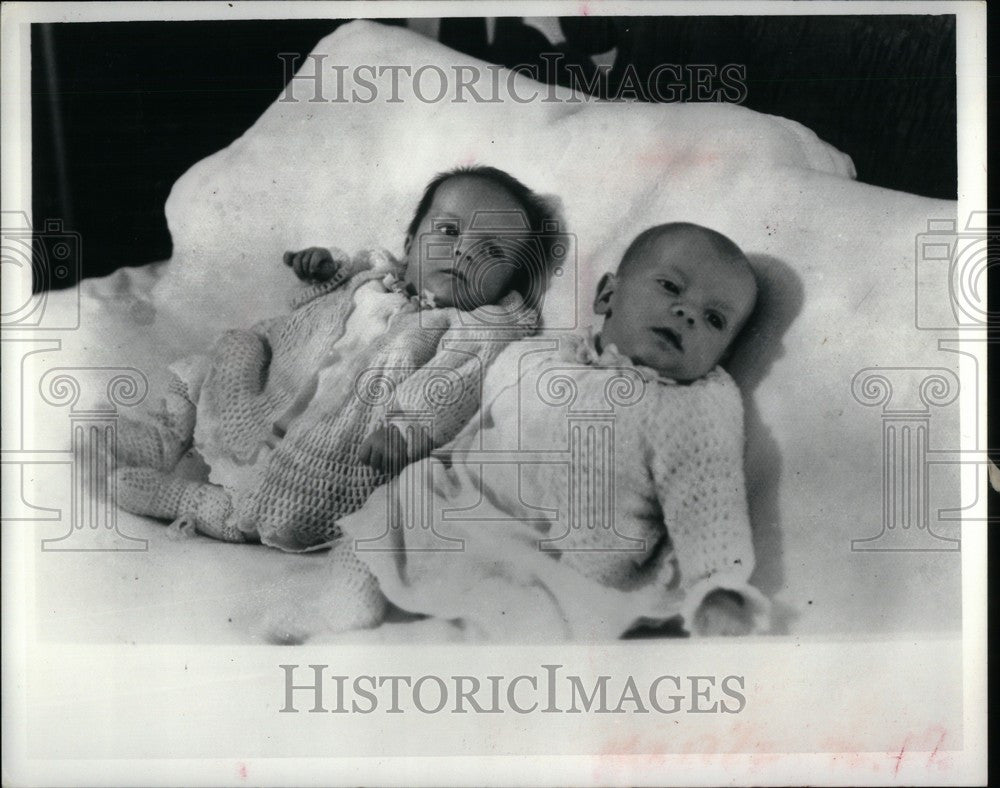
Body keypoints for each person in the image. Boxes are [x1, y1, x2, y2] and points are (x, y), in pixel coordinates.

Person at [113, 165, 556, 552]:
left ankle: (194, 503)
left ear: (508, 283)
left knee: (284, 503)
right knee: (229, 350)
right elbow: (304, 308)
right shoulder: (376, 276)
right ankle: (166, 434)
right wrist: (325, 271)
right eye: (449, 231)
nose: (465, 252)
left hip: (335, 443)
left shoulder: (471, 328)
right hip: (271, 393)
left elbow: (454, 383)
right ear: (410, 241)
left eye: (493, 251)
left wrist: (408, 427)